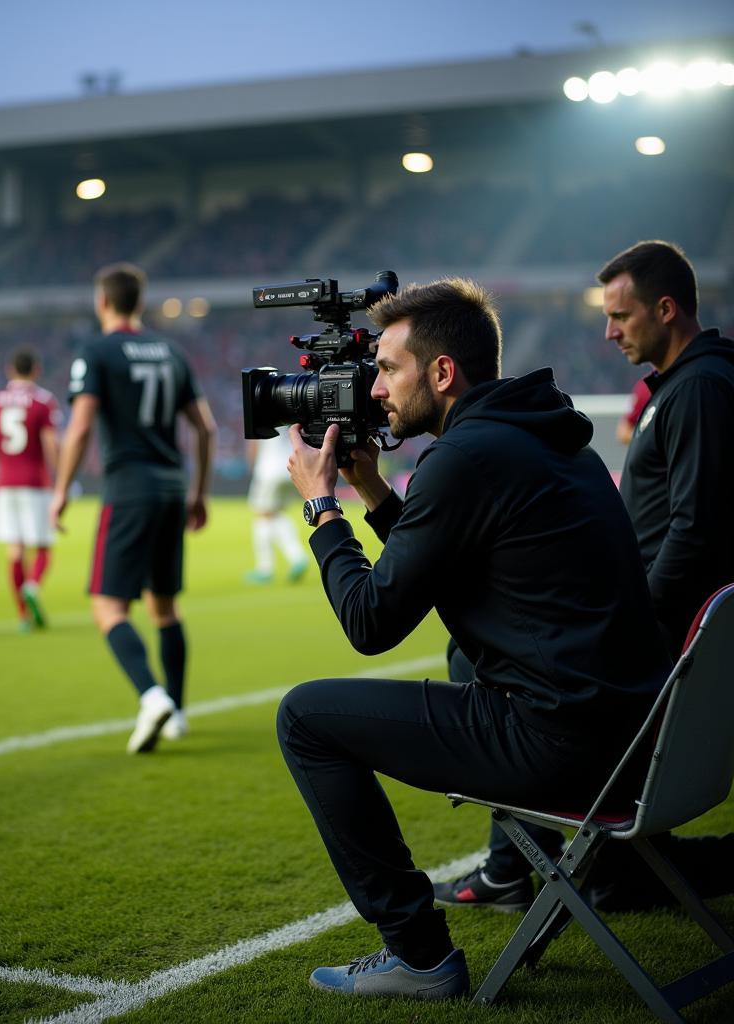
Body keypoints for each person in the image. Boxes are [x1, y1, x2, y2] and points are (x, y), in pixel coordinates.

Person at [275, 278, 670, 1000]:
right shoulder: (541, 435)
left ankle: (419, 956)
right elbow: (457, 580)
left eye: (389, 370)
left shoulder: (464, 459)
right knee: (462, 653)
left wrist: (322, 507)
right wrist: (374, 494)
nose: (376, 391)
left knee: (303, 718)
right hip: (638, 740)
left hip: (563, 745)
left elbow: (371, 624)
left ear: (443, 372)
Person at [435, 240, 734, 912]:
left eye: (622, 316)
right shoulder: (686, 385)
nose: (609, 330)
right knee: (477, 654)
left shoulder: (702, 389)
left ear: (666, 308)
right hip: (652, 624)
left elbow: (695, 529)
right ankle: (520, 864)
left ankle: (530, 866)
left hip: (660, 630)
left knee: (486, 663)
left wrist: (638, 619)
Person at [51, 263, 216, 753]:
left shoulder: (96, 352)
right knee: (164, 606)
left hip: (128, 489)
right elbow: (205, 427)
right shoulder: (172, 351)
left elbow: (80, 427)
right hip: (171, 487)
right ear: (140, 304)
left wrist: (60, 490)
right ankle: (179, 713)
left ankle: (151, 697)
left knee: (107, 606)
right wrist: (199, 493)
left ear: (102, 302)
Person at [0, 350, 61, 631]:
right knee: (43, 546)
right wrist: (59, 477)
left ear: (9, 370)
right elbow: (50, 444)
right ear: (36, 370)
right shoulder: (44, 402)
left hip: (4, 484)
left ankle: (24, 615)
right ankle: (33, 587)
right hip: (35, 483)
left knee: (15, 549)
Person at [244, 427, 309, 584]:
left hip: (269, 470)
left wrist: (253, 468)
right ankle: (297, 558)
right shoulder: (289, 413)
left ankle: (266, 569)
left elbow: (254, 444)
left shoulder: (261, 413)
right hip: (289, 467)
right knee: (276, 514)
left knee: (262, 515)